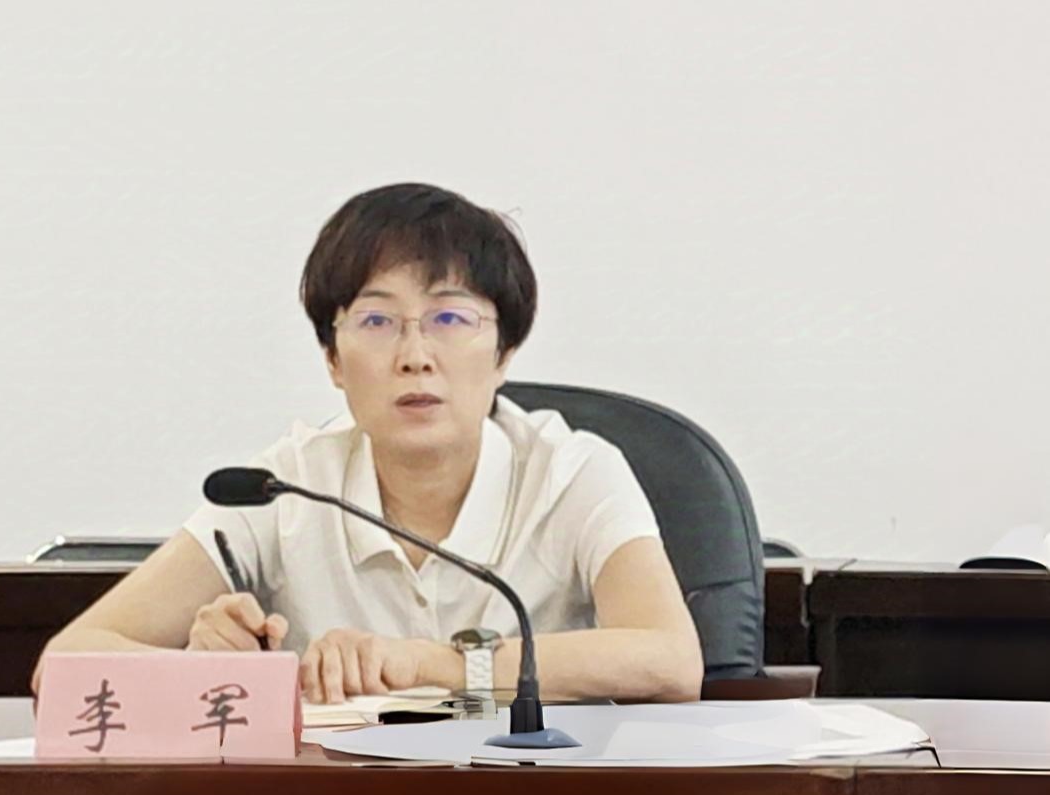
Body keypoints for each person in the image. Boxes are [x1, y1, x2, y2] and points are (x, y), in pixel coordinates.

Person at [34, 183, 703, 704]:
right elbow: (64, 664)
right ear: (332, 359)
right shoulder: (286, 486)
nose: (415, 355)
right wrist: (212, 670)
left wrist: (429, 664)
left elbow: (671, 661)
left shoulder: (573, 473)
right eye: (377, 320)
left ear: (504, 352)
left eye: (450, 317)